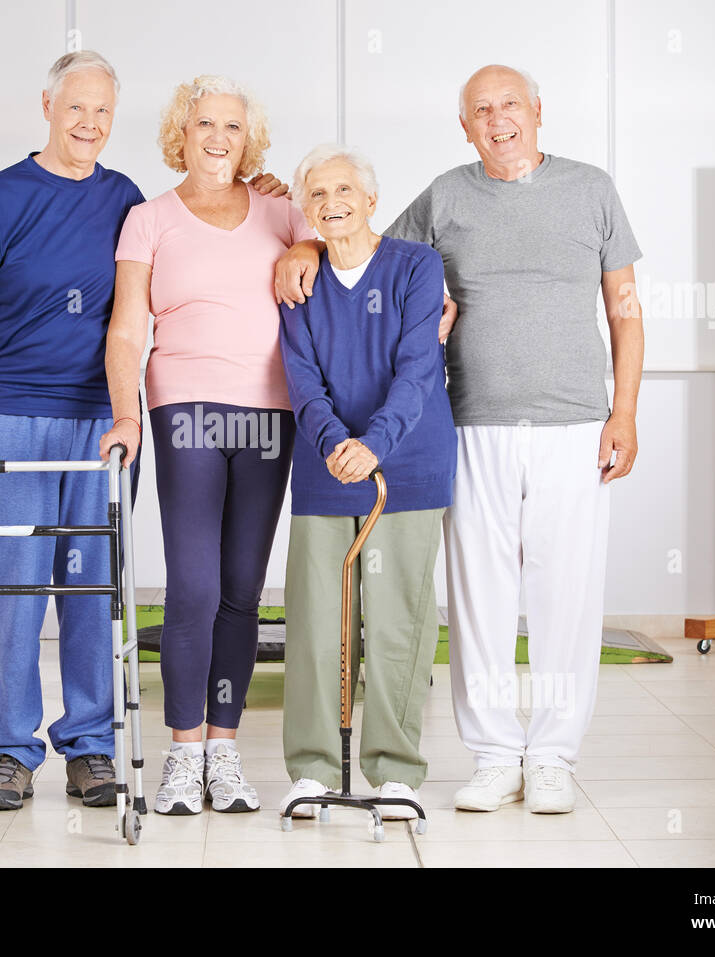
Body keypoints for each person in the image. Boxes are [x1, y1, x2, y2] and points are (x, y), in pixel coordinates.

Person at [0, 52, 286, 814]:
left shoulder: (125, 202)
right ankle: (7, 751)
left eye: (103, 111)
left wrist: (261, 187)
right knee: (14, 587)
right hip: (11, 411)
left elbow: (155, 300)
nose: (89, 124)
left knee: (88, 587)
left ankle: (91, 748)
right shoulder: (1, 196)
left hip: (102, 424)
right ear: (46, 104)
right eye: (76, 108)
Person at [275, 64, 644, 814]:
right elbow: (360, 240)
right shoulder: (444, 196)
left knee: (564, 595)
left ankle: (551, 754)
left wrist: (626, 410)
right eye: (481, 110)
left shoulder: (592, 189)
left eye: (510, 105)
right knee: (478, 596)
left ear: (538, 111)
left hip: (574, 421)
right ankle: (492, 753)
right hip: (470, 421)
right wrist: (301, 250)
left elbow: (626, 308)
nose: (497, 119)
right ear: (465, 126)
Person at [101, 75, 316, 815]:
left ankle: (223, 751)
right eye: (203, 125)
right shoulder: (147, 219)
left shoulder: (285, 210)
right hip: (183, 406)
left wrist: (308, 245)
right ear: (180, 135)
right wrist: (125, 412)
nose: (218, 138)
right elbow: (128, 325)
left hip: (268, 411)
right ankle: (181, 751)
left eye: (231, 126)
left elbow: (334, 247)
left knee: (240, 592)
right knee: (191, 587)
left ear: (246, 138)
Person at [277, 145, 456, 821]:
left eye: (345, 190)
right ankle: (314, 769)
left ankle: (395, 771)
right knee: (319, 620)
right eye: (317, 194)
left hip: (407, 461)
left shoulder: (416, 266)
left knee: (397, 620)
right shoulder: (299, 279)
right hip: (326, 467)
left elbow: (418, 367)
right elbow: (302, 377)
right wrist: (334, 443)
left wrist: (373, 444)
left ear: (372, 199)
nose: (332, 204)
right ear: (305, 208)